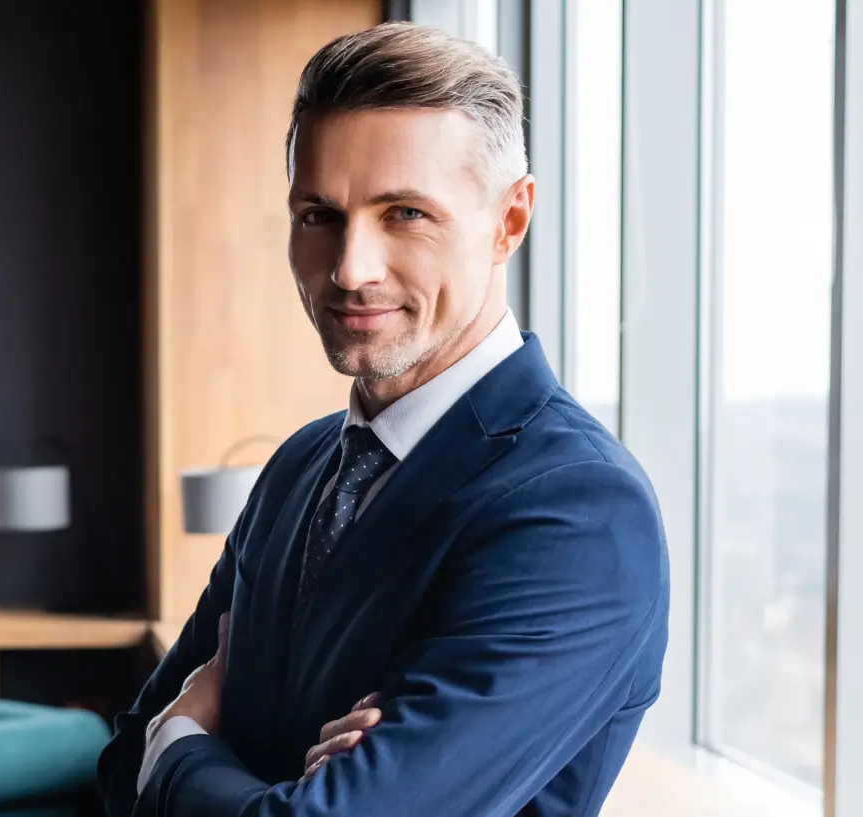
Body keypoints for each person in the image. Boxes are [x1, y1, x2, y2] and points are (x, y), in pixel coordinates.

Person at [98, 21, 669, 817]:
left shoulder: (578, 512)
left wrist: (185, 746)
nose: (349, 268)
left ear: (509, 222)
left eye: (404, 213)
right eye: (318, 215)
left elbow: (158, 747)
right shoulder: (300, 467)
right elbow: (121, 758)